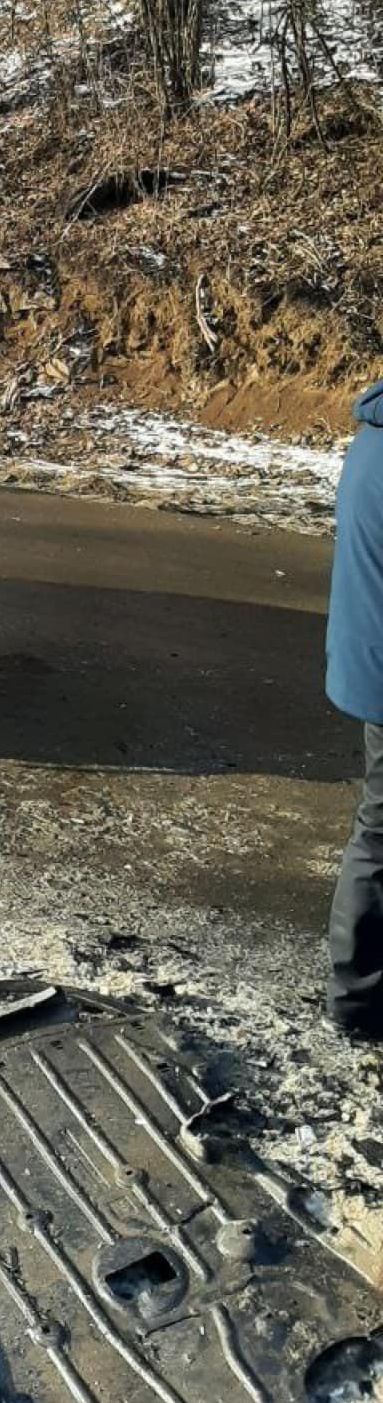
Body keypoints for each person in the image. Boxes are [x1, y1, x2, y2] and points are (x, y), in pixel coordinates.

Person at [325, 380, 383, 1043]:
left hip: (370, 659)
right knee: (379, 834)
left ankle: (360, 996)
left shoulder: (371, 438)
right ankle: (361, 1002)